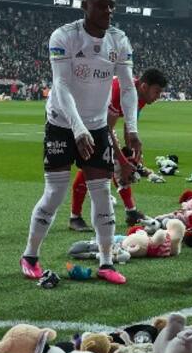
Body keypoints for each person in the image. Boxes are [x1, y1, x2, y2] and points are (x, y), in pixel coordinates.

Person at [20, 0, 139, 286]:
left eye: (112, 4)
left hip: (97, 126)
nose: (108, 10)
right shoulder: (64, 36)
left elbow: (127, 87)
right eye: (101, 4)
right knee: (55, 192)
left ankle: (106, 261)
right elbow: (60, 85)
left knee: (102, 192)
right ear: (84, 6)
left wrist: (132, 128)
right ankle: (30, 255)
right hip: (62, 122)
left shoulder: (119, 40)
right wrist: (77, 127)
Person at [68, 67, 167, 231]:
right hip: (82, 116)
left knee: (118, 162)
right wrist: (122, 160)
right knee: (92, 163)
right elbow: (106, 129)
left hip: (99, 119)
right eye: (156, 92)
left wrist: (131, 155)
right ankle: (75, 217)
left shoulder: (140, 96)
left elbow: (130, 125)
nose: (158, 97)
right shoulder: (119, 91)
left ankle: (131, 212)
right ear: (144, 87)